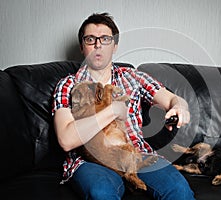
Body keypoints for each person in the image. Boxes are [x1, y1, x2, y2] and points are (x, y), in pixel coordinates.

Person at [52, 12, 195, 200]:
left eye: (105, 39)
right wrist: (112, 111)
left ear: (115, 45)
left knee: (179, 189)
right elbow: (66, 139)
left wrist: (179, 107)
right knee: (100, 193)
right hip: (91, 161)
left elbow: (173, 100)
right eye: (90, 39)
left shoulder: (132, 76)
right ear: (82, 47)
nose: (98, 45)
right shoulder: (69, 85)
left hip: (136, 155)